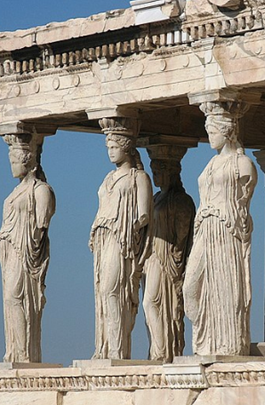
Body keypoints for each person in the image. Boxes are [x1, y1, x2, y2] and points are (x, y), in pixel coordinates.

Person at [183, 113, 257, 356]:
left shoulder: (243, 164)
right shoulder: (211, 164)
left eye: (213, 132)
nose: (209, 137)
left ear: (227, 132)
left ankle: (227, 343)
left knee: (226, 288)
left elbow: (244, 200)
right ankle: (206, 340)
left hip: (227, 231)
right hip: (205, 228)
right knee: (190, 288)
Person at [90, 119, 153, 359]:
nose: (110, 152)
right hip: (103, 238)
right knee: (102, 293)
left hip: (123, 239)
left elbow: (144, 214)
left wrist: (126, 228)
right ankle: (104, 348)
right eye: (108, 148)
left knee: (112, 289)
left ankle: (118, 351)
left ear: (126, 147)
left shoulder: (139, 178)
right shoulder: (107, 178)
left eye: (114, 147)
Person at [0, 133, 55, 362]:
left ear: (28, 160)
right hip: (11, 252)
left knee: (16, 298)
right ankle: (16, 351)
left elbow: (41, 225)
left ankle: (24, 353)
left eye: (14, 161)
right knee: (10, 300)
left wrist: (30, 245)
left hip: (26, 253)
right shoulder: (15, 192)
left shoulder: (41, 190)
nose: (11, 167)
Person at [143, 150, 195, 362]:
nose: (155, 176)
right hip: (152, 256)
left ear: (171, 173)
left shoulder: (182, 200)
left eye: (158, 172)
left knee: (151, 302)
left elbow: (183, 235)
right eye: (153, 171)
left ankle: (163, 351)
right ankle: (157, 349)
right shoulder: (156, 198)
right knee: (149, 304)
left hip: (167, 260)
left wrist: (175, 260)